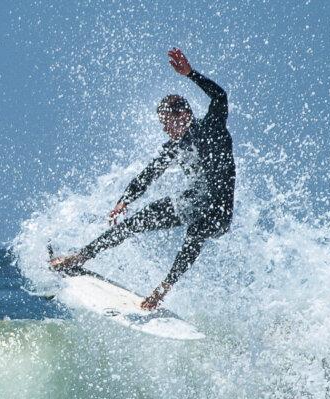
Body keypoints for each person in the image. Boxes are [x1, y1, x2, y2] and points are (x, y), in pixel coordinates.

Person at [50, 48, 235, 310]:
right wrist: (124, 201)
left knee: (196, 231)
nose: (165, 129)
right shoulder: (176, 146)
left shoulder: (212, 128)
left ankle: (163, 289)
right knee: (137, 221)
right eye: (162, 125)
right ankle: (81, 256)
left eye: (167, 123)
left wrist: (190, 74)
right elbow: (149, 174)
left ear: (183, 115)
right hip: (193, 201)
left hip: (219, 210)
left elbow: (221, 96)